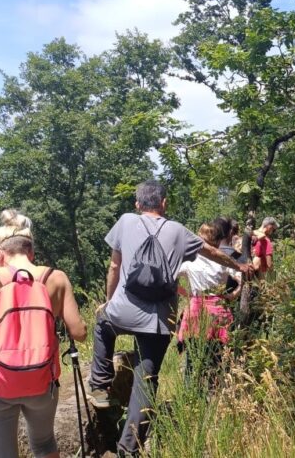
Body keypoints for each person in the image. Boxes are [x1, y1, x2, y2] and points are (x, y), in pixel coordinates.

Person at [89, 181, 253, 456]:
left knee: (103, 326)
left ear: (138, 204)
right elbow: (211, 252)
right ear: (164, 203)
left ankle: (100, 386)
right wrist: (238, 265)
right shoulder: (178, 230)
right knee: (145, 382)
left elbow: (114, 265)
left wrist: (109, 301)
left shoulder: (126, 221)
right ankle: (127, 450)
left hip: (122, 310)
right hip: (159, 320)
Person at [0, 210, 87, 458]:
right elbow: (79, 333)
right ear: (31, 252)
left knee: (3, 454)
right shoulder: (56, 278)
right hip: (43, 381)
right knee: (44, 444)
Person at [177, 222, 242, 384]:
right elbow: (241, 280)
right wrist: (233, 295)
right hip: (218, 308)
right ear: (219, 240)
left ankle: (190, 392)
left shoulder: (190, 262)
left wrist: (187, 295)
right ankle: (215, 391)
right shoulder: (223, 260)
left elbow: (171, 279)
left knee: (192, 356)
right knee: (217, 355)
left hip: (196, 307)